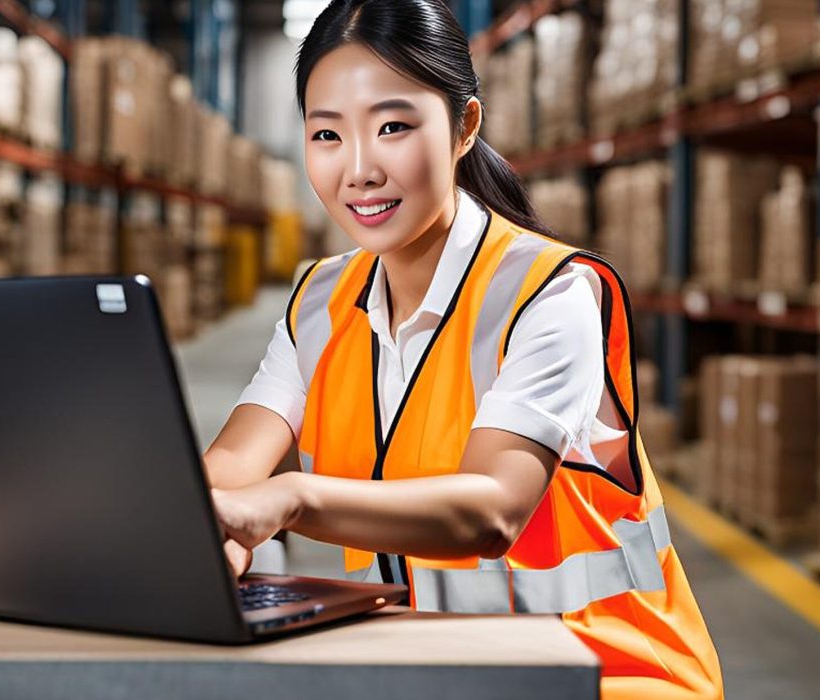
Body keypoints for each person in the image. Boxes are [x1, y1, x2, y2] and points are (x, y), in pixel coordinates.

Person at [200, 1, 723, 697]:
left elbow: (489, 511)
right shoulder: (321, 302)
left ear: (463, 128)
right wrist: (201, 516)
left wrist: (289, 499)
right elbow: (233, 465)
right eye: (327, 135)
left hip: (605, 673)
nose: (357, 169)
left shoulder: (549, 294)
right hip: (443, 666)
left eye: (392, 127)